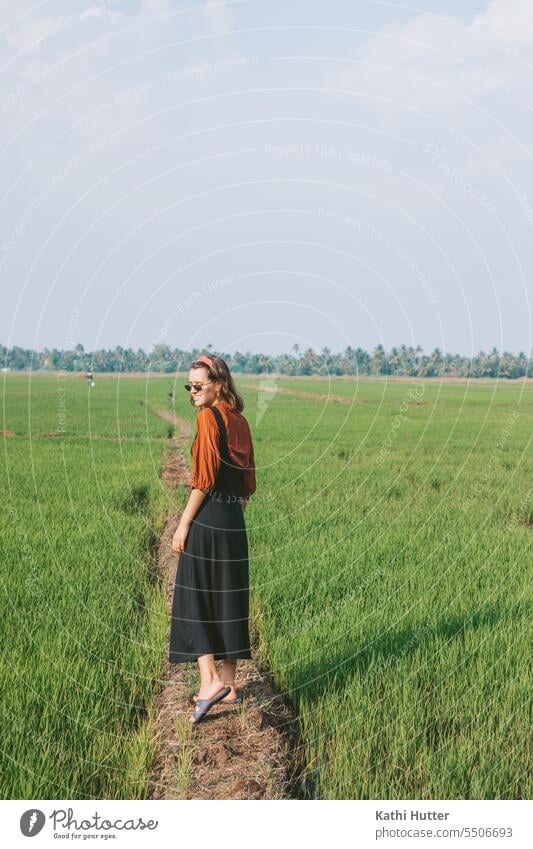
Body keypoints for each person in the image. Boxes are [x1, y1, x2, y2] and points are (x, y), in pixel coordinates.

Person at [169, 354, 256, 724]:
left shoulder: (209, 418)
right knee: (229, 595)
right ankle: (230, 685)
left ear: (219, 384)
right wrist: (231, 511)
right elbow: (249, 483)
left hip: (207, 518)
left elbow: (203, 479)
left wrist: (184, 523)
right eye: (189, 386)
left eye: (199, 385)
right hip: (234, 519)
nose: (193, 392)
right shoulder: (240, 421)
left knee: (195, 595)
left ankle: (208, 684)